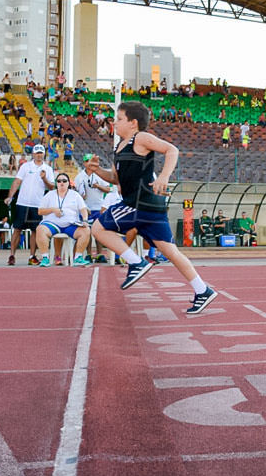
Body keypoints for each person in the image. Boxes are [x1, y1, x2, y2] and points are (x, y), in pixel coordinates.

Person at [87, 100, 218, 315]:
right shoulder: (119, 148)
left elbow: (172, 150)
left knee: (98, 228)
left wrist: (164, 176)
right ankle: (202, 290)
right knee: (171, 252)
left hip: (139, 204)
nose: (115, 123)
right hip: (150, 209)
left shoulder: (140, 138)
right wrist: (96, 170)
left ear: (133, 123)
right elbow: (115, 178)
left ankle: (136, 262)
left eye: (119, 119)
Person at [3, 144, 54, 265]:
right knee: (17, 229)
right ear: (33, 154)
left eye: (41, 152)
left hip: (37, 205)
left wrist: (44, 178)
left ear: (44, 154)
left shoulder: (48, 169)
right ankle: (11, 256)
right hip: (22, 203)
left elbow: (52, 187)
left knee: (35, 231)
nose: (39, 155)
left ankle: (32, 256)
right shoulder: (25, 166)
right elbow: (17, 182)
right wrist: (10, 196)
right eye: (37, 152)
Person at [35, 173, 91, 266]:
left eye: (64, 181)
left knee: (86, 230)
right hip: (52, 224)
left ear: (68, 183)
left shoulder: (75, 195)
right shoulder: (49, 195)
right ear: (56, 183)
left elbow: (83, 209)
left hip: (71, 224)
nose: (61, 183)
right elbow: (40, 211)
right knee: (40, 229)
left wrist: (85, 220)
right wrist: (53, 209)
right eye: (59, 181)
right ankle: (45, 258)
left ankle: (78, 257)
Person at [75, 153, 110, 262]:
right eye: (87, 161)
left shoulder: (99, 174)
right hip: (86, 208)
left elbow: (108, 189)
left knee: (99, 231)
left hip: (99, 207)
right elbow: (78, 194)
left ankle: (99, 254)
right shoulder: (79, 177)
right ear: (84, 163)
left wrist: (98, 186)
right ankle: (89, 253)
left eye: (91, 161)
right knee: (87, 231)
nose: (89, 163)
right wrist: (82, 195)